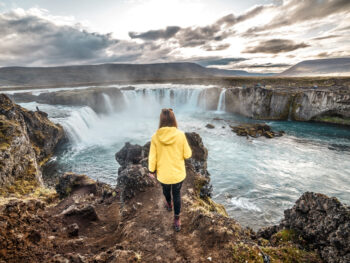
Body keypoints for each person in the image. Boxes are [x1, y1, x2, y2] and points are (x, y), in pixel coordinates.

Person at [148, 108, 192, 231]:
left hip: (163, 175)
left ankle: (168, 203)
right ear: (174, 120)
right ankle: (177, 219)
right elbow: (187, 154)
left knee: (166, 190)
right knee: (177, 194)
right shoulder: (181, 135)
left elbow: (152, 157)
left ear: (161, 120)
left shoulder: (155, 137)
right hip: (178, 174)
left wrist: (151, 171)